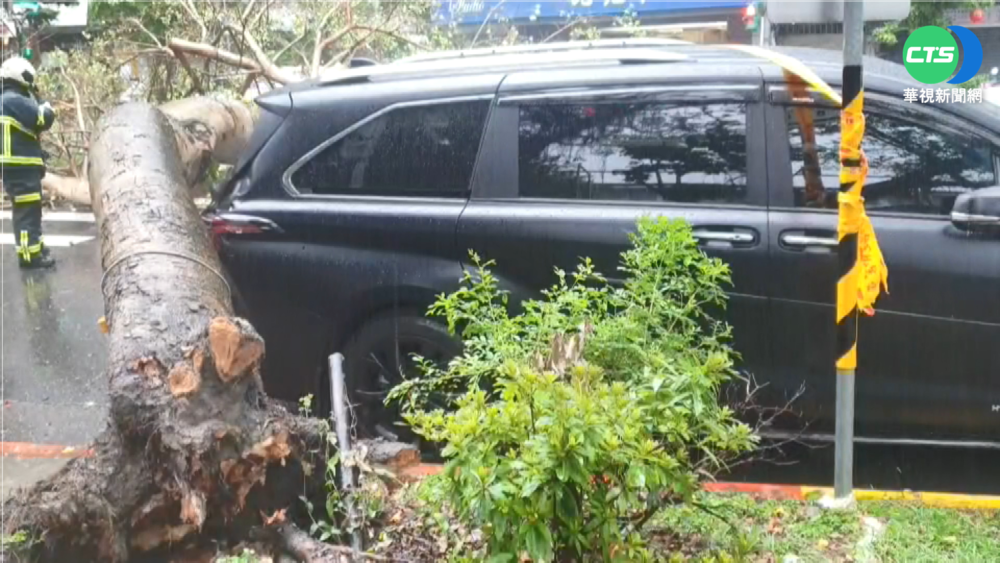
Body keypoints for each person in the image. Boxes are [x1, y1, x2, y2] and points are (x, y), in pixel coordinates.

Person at [1, 56, 56, 269]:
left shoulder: (5, 100)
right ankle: (29, 257)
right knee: (27, 213)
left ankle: (36, 248)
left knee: (30, 210)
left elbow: (23, 133)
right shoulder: (13, 100)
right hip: (21, 168)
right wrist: (45, 104)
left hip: (17, 168)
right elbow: (43, 118)